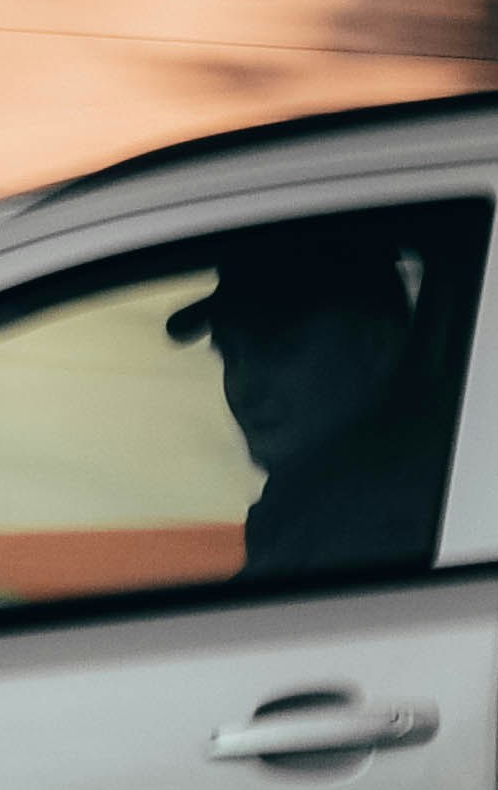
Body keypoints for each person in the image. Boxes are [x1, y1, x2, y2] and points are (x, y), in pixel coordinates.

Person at [170, 228, 455, 582]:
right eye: (229, 354)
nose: (244, 388)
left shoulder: (376, 534)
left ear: (377, 346)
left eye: (277, 346)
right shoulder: (319, 514)